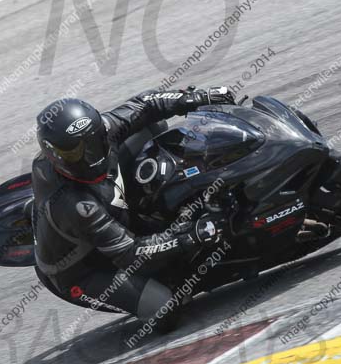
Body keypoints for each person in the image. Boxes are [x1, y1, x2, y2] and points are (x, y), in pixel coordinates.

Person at [31, 86, 236, 331]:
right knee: (164, 307)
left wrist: (196, 97)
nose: (91, 154)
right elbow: (132, 254)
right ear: (56, 156)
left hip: (105, 202)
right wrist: (190, 235)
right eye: (76, 152)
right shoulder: (75, 206)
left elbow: (146, 104)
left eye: (95, 140)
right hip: (84, 268)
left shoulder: (103, 131)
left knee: (153, 126)